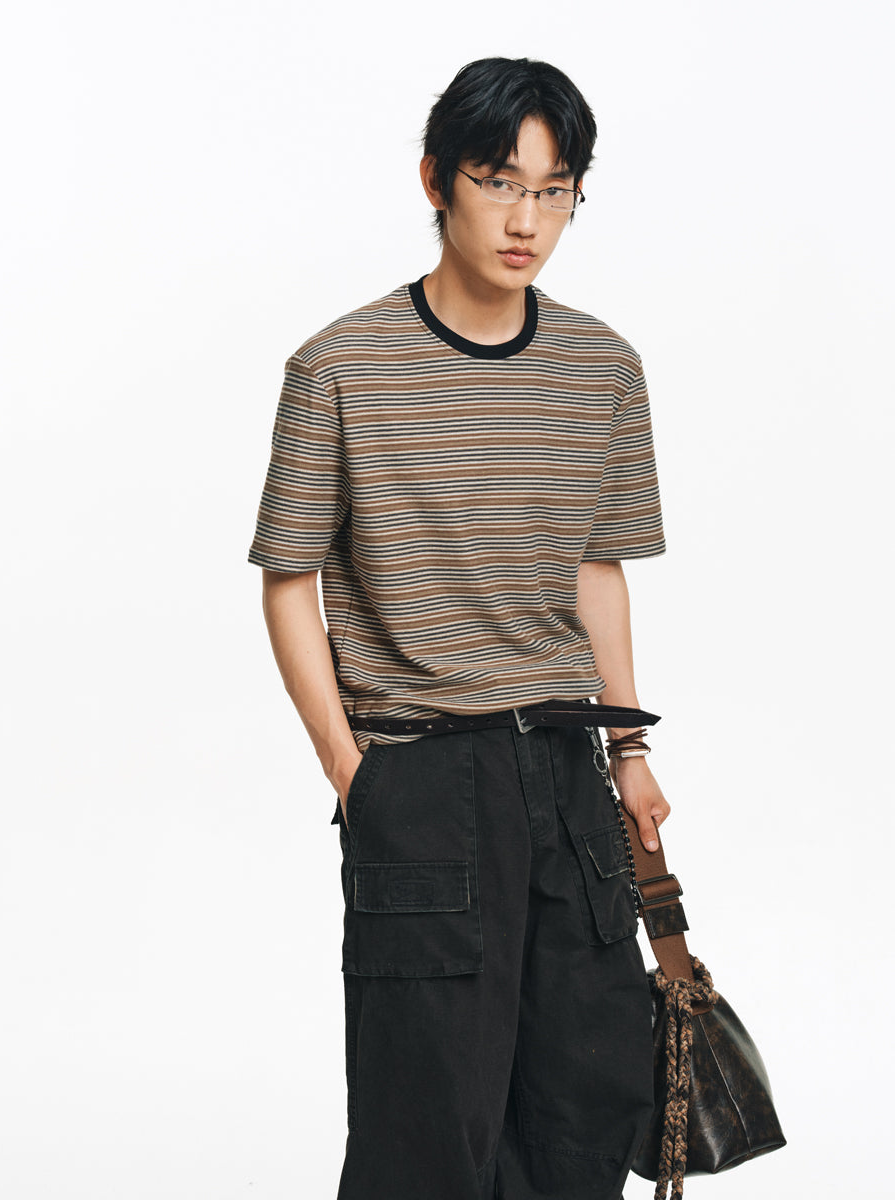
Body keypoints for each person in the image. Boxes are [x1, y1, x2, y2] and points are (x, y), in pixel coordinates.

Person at [247, 55, 671, 1200]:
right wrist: (353, 772)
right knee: (425, 1126)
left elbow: (596, 569)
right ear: (437, 181)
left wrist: (630, 756)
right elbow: (289, 581)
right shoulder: (338, 367)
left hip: (569, 770)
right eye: (499, 182)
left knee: (586, 1106)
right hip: (423, 773)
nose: (527, 220)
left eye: (554, 190)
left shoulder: (602, 367)